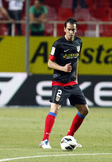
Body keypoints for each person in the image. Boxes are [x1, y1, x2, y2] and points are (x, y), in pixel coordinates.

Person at [40, 17, 89, 149]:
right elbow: (49, 63)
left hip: (72, 83)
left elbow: (76, 61)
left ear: (76, 30)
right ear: (64, 29)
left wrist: (76, 77)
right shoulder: (58, 44)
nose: (71, 32)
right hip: (60, 82)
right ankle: (45, 140)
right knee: (55, 108)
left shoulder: (79, 42)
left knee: (84, 110)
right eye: (69, 30)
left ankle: (70, 137)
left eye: (73, 30)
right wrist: (62, 68)